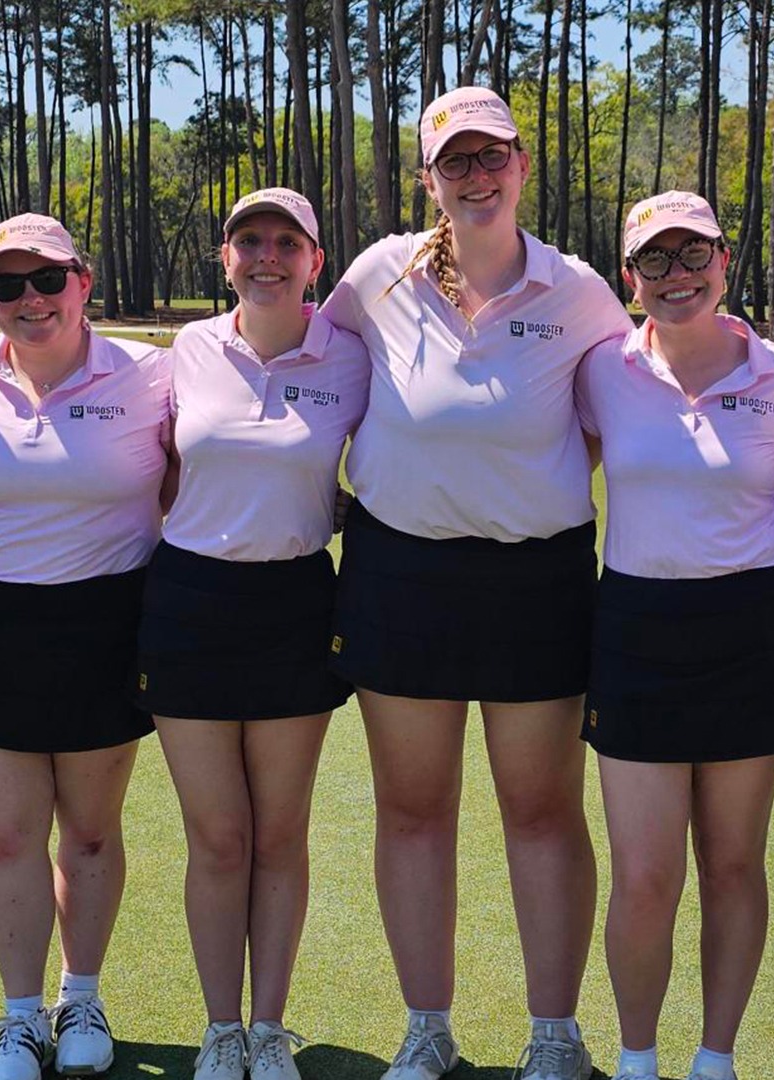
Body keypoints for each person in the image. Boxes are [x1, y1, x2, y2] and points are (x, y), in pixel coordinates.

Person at [319, 86, 633, 1080]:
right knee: (414, 809)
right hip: (399, 569)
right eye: (455, 161)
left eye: (492, 155)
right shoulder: (376, 276)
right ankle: (427, 1027)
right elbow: (316, 372)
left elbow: (626, 403)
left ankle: (553, 1034)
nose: (477, 176)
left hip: (535, 578)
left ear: (523, 164)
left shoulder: (578, 290)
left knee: (541, 810)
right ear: (429, 180)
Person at [0, 213, 169, 1080]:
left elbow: (202, 473)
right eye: (7, 285)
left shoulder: (148, 372)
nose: (31, 300)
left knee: (92, 835)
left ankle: (84, 997)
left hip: (108, 622)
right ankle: (21, 1020)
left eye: (48, 280)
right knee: (9, 837)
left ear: (84, 281)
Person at [578, 192, 774, 1080]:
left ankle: (714, 1059)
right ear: (628, 278)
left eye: (694, 256)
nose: (677, 277)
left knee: (732, 863)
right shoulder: (602, 368)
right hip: (635, 627)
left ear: (725, 261)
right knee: (644, 874)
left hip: (749, 630)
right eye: (654, 262)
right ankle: (638, 1059)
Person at [134, 187, 365, 1080]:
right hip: (189, 602)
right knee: (219, 836)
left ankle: (270, 1029)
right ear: (224, 258)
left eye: (285, 242)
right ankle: (221, 1029)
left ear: (315, 261)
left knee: (280, 833)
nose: (265, 255)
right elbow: (154, 471)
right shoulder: (185, 352)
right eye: (248, 241)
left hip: (298, 606)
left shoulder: (351, 356)